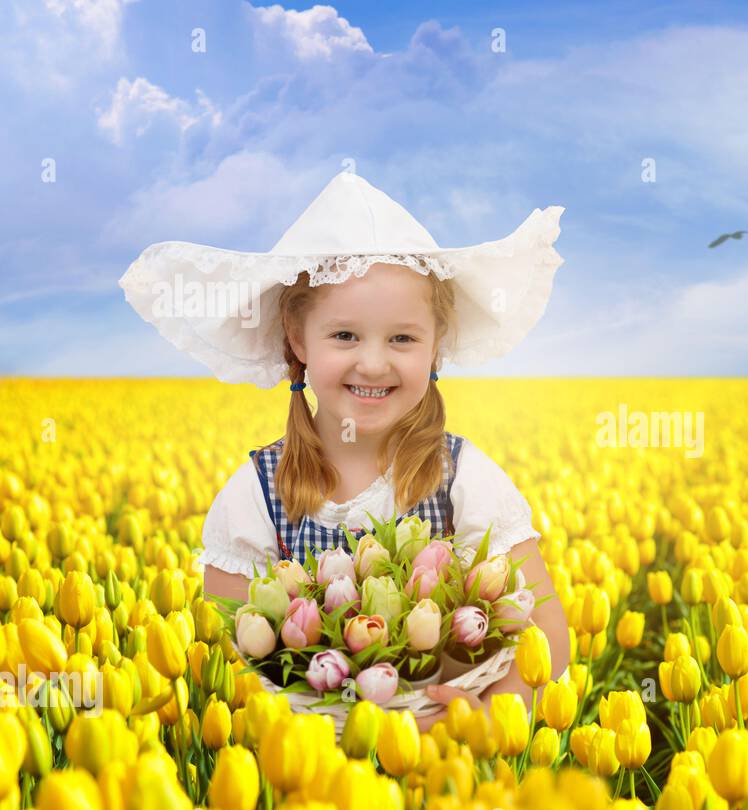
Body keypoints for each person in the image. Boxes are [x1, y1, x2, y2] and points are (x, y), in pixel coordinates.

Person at [118, 170, 569, 730]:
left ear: (435, 347)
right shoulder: (257, 493)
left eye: (402, 338)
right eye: (345, 336)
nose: (374, 363)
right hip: (305, 771)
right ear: (297, 339)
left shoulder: (465, 478)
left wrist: (486, 717)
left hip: (444, 764)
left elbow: (545, 633)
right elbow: (225, 655)